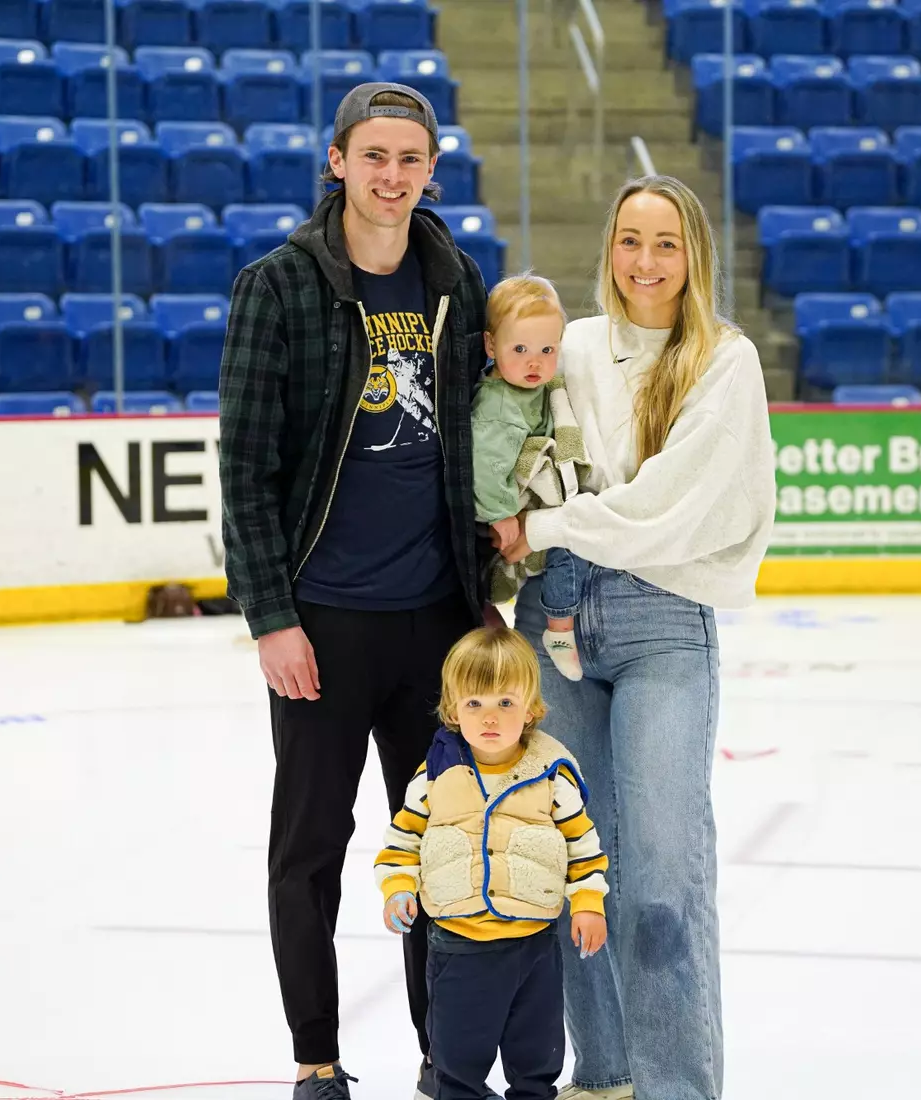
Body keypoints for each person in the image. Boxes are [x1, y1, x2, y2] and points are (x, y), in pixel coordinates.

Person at [216, 81, 493, 1100]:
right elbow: (243, 467)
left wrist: (485, 583)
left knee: (440, 847)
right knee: (312, 848)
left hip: (436, 624)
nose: (391, 176)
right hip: (324, 624)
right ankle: (316, 1055)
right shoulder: (280, 285)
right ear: (336, 161)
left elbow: (475, 448)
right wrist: (272, 616)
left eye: (409, 159)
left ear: (431, 169)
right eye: (372, 156)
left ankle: (444, 1052)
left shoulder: (455, 279)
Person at [496, 176, 778, 1100]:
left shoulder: (722, 362)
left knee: (660, 877)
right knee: (578, 863)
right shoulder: (569, 347)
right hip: (554, 617)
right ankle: (605, 1074)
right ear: (609, 249)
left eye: (665, 243)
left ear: (693, 254)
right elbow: (503, 436)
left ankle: (677, 1090)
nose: (645, 263)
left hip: (664, 622)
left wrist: (544, 528)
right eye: (629, 241)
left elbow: (668, 511)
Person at [375, 626, 610, 1100]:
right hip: (459, 948)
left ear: (530, 708)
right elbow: (403, 839)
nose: (489, 717)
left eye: (505, 702)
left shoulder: (553, 773)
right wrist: (397, 886)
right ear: (453, 710)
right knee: (456, 1061)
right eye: (474, 704)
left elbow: (582, 845)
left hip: (534, 949)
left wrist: (588, 902)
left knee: (537, 1059)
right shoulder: (435, 775)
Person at [472, 275, 592, 681]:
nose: (534, 362)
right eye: (519, 349)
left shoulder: (537, 386)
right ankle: (559, 626)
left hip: (528, 501)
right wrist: (501, 513)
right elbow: (486, 464)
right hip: (509, 511)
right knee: (565, 545)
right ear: (491, 346)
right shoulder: (499, 404)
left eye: (547, 350)